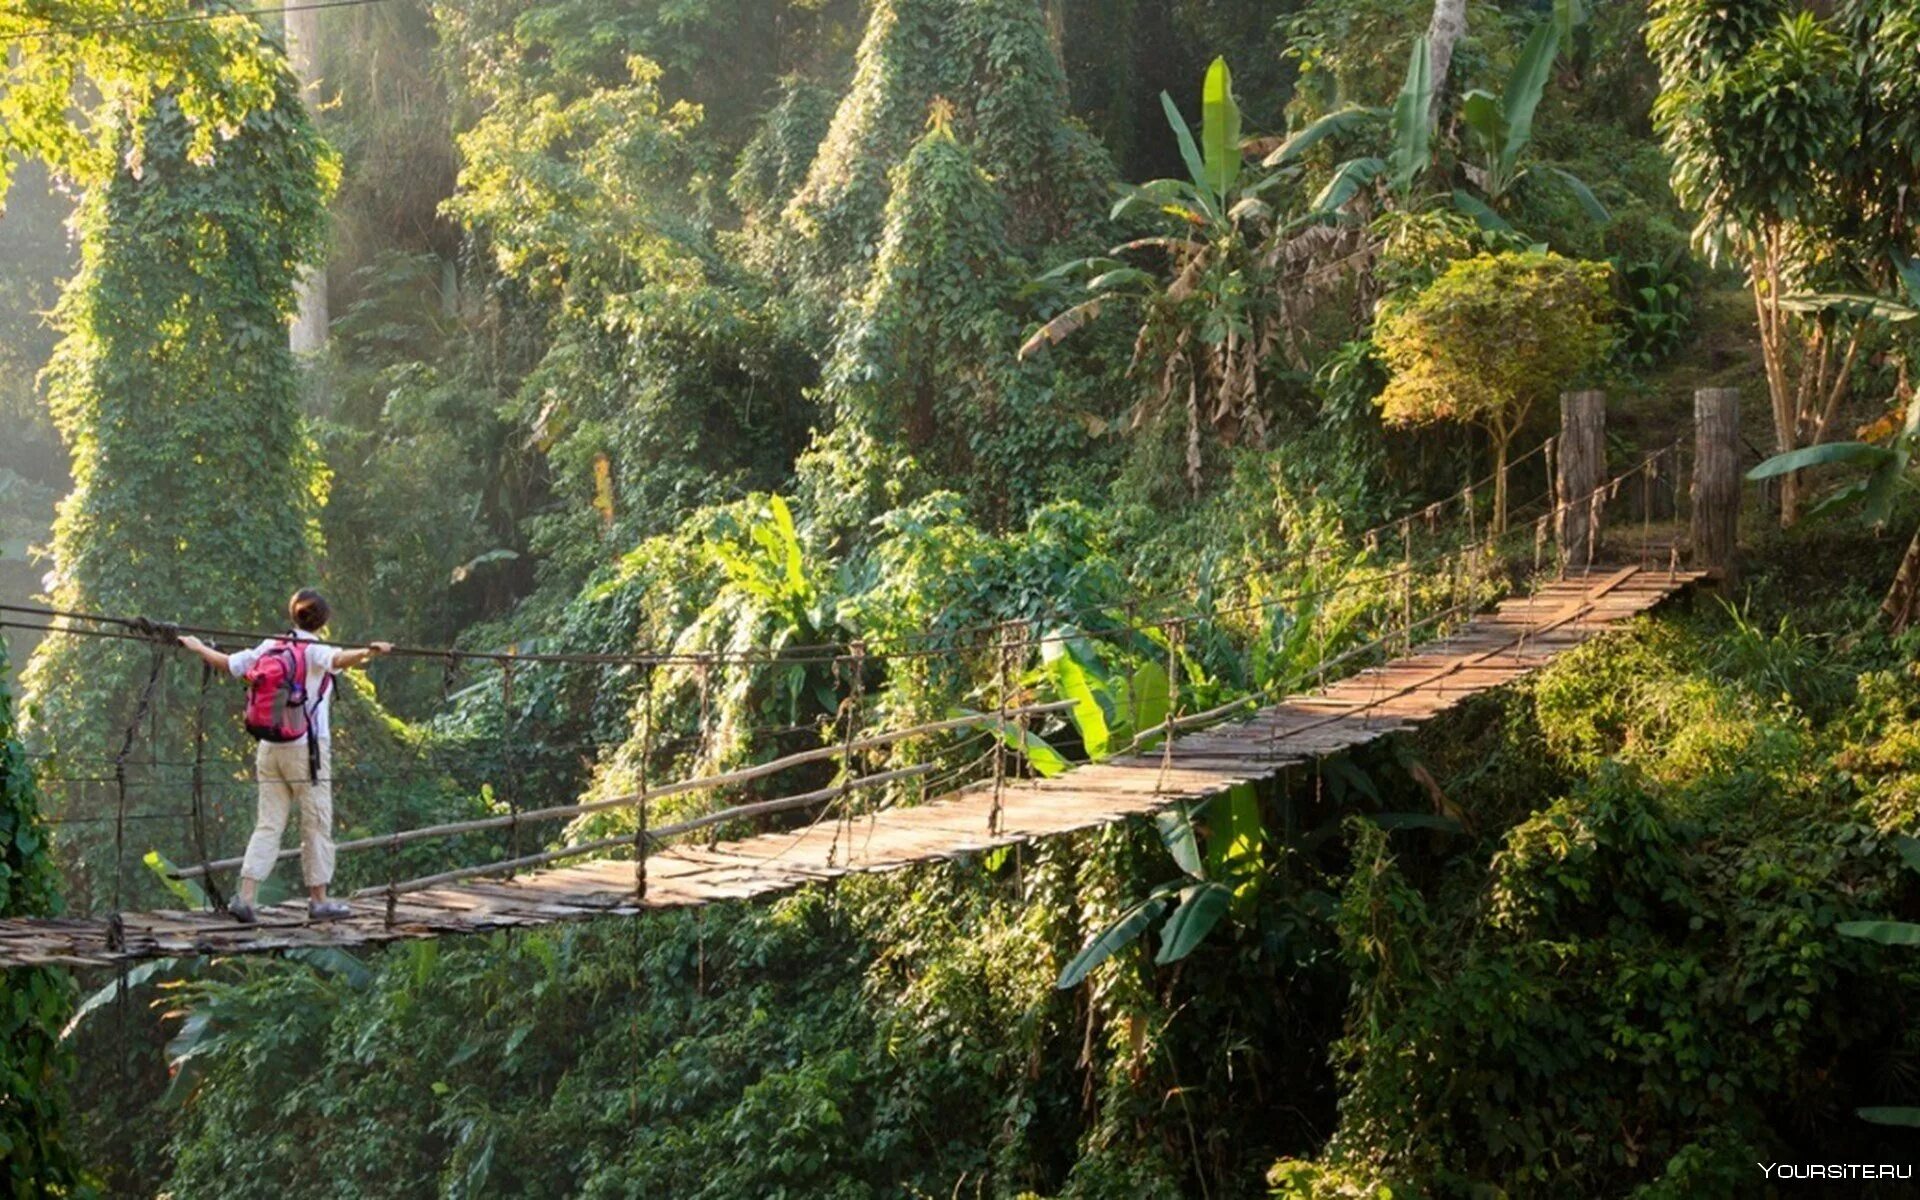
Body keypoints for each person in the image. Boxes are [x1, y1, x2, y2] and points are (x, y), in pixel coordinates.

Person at [178, 589, 391, 923]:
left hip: (269, 747)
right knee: (316, 822)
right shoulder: (314, 649)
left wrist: (196, 646)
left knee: (268, 823)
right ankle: (319, 901)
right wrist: (370, 652)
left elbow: (228, 664)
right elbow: (339, 660)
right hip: (306, 750)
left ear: (293, 615)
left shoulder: (271, 645)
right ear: (324, 620)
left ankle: (246, 897)